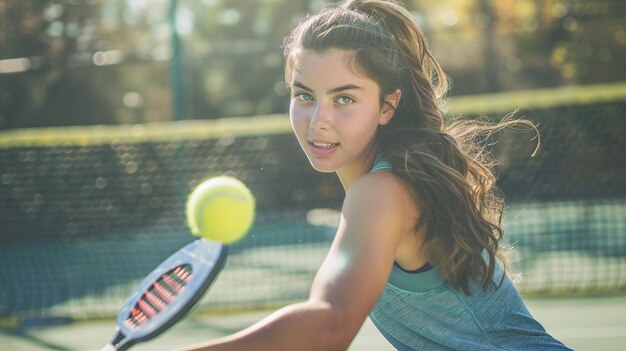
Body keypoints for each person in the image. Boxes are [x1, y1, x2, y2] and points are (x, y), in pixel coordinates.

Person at [178, 0, 571, 350]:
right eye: (304, 95)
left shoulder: (382, 192)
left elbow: (328, 328)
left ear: (387, 107)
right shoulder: (388, 184)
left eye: (344, 98)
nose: (319, 121)